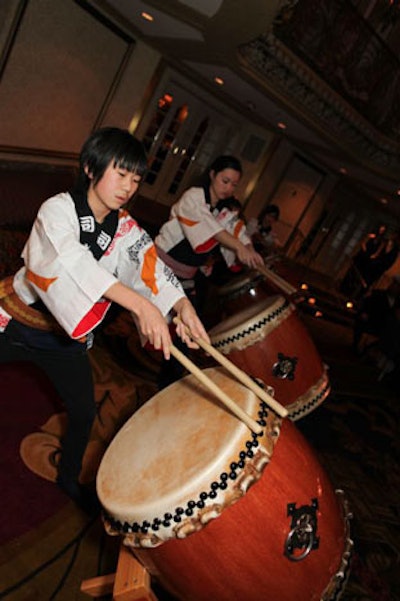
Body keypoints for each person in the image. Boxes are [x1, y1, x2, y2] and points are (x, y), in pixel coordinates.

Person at [0, 127, 209, 513]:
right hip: (14, 320)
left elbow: (149, 267)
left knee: (83, 412)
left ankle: (67, 477)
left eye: (135, 179)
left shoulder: (126, 229)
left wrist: (181, 306)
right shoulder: (57, 209)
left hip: (63, 340)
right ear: (91, 168)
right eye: (120, 173)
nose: (128, 186)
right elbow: (65, 263)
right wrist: (139, 306)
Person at [154, 155, 264, 385]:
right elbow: (211, 230)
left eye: (234, 184)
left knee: (186, 334)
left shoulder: (225, 210)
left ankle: (167, 384)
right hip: (157, 268)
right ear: (212, 174)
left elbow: (237, 232)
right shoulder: (193, 197)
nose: (229, 188)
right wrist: (237, 246)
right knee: (123, 306)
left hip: (185, 278)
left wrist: (249, 249)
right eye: (225, 181)